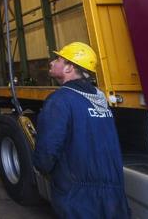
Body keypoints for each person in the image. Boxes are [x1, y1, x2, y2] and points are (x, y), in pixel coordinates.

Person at [33, 42, 130, 219]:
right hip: (114, 194)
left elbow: (48, 148)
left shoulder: (60, 100)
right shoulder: (99, 100)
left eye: (58, 59)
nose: (52, 62)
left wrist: (41, 166)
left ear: (69, 68)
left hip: (78, 196)